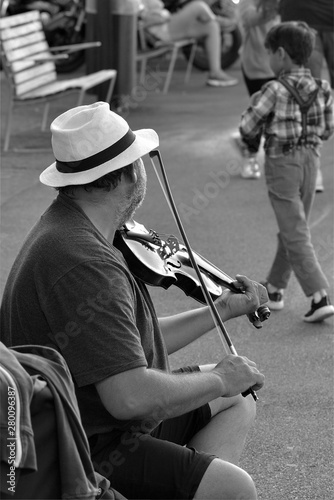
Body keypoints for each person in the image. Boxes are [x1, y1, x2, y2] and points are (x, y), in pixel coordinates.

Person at [0, 101, 268, 499]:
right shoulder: (84, 262)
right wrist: (220, 378)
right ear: (125, 176)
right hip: (86, 445)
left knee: (236, 399)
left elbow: (122, 345)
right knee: (235, 487)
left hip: (90, 421)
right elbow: (129, 397)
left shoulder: (69, 229)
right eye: (138, 160)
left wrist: (224, 309)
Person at [239, 21, 334, 322]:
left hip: (283, 164)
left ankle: (320, 295)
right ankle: (276, 289)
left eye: (269, 53)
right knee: (294, 228)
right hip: (311, 162)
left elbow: (247, 127)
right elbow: (329, 129)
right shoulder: (323, 87)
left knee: (295, 231)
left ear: (280, 53)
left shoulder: (273, 89)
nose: (268, 59)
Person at [279, 0, 334, 193]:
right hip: (302, 16)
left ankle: (310, 170)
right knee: (306, 95)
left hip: (302, 14)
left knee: (306, 96)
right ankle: (311, 169)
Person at [140, 0, 238, 87]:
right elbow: (140, 18)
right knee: (197, 5)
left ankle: (215, 73)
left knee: (211, 27)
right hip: (159, 30)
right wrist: (160, 17)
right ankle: (220, 21)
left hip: (167, 24)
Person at [234, 0, 279, 179]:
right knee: (260, 113)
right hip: (257, 65)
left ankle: (274, 159)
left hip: (281, 63)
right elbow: (250, 19)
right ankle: (250, 155)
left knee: (277, 114)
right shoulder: (247, 2)